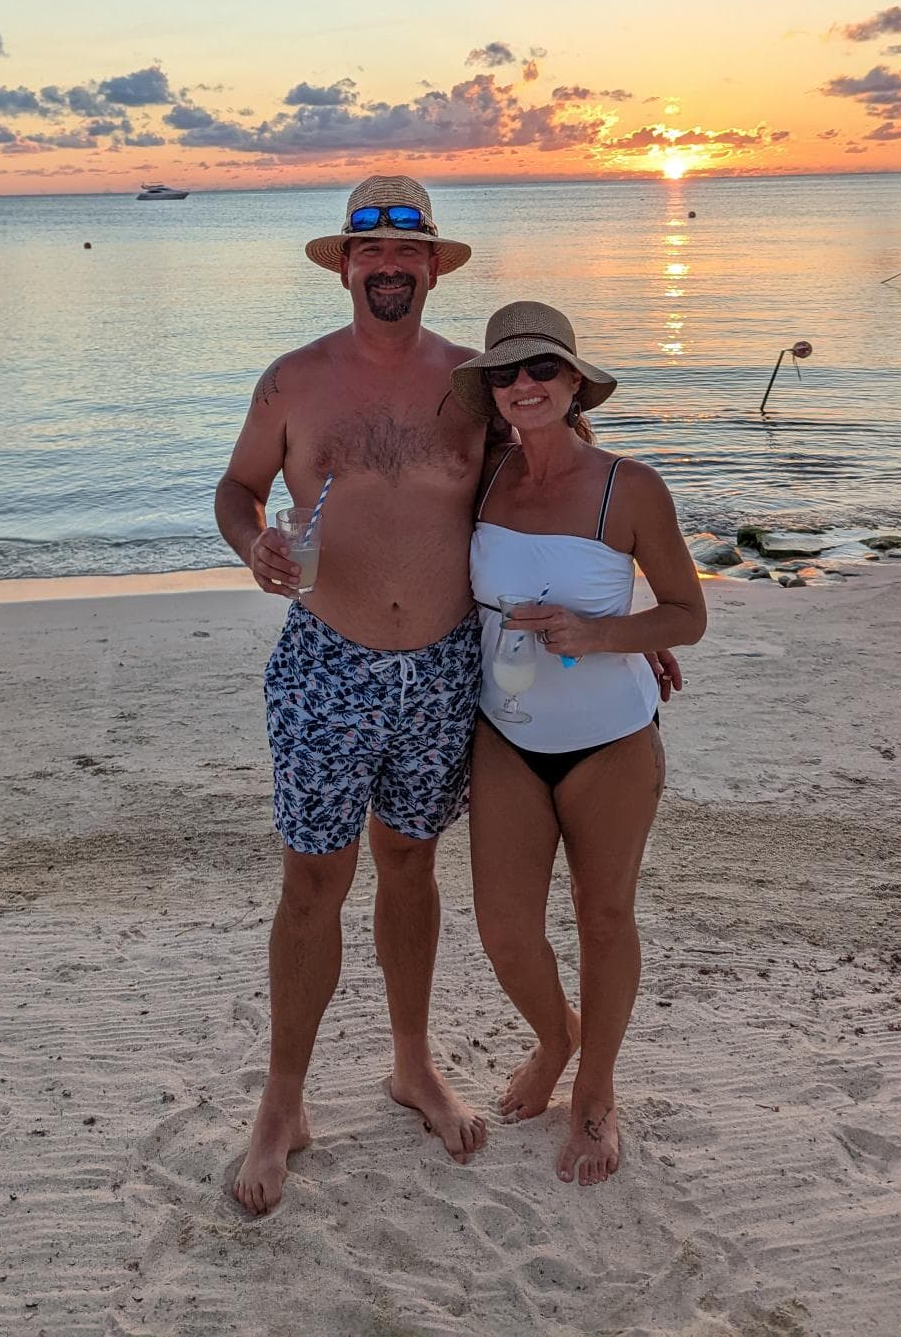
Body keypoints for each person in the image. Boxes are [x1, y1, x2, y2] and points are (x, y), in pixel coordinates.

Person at [215, 175, 497, 1216]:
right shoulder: (294, 381)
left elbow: (556, 492)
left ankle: (412, 1063)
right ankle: (283, 1100)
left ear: (431, 264)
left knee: (412, 865)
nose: (389, 268)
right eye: (370, 254)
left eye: (408, 253)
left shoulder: (477, 382)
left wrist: (623, 628)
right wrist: (256, 545)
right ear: (345, 265)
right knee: (311, 885)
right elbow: (237, 489)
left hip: (443, 664)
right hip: (327, 661)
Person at [451, 301, 706, 1189]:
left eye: (542, 371)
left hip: (611, 739)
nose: (524, 385)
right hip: (506, 733)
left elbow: (689, 614)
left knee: (604, 917)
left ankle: (595, 1091)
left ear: (572, 383)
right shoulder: (481, 479)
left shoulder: (629, 487)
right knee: (504, 928)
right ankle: (557, 1035)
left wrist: (602, 634)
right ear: (490, 392)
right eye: (507, 374)